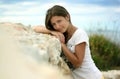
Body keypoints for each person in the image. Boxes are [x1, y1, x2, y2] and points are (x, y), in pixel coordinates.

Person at [33, 5, 104, 79]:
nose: (57, 26)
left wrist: (62, 45)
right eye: (54, 24)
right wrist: (51, 31)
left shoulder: (79, 34)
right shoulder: (61, 33)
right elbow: (35, 28)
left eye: (59, 21)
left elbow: (78, 63)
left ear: (67, 17)